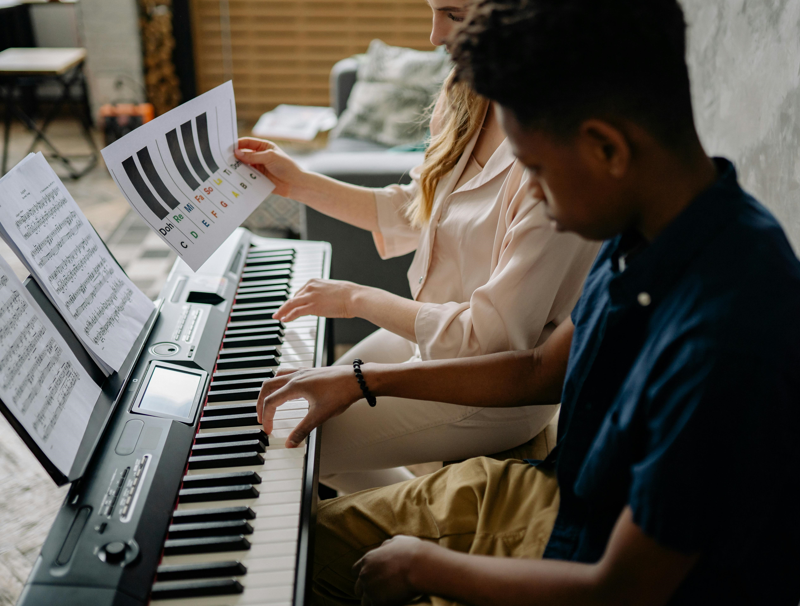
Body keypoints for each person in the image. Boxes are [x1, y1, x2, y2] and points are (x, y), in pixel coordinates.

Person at [256, 0, 800, 604]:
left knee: (293, 577)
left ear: (606, 149)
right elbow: (541, 369)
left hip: (583, 551)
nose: (535, 197)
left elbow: (621, 589)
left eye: (535, 168)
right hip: (551, 494)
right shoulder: (654, 228)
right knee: (301, 543)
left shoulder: (724, 336)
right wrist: (361, 379)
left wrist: (424, 569)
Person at [235, 0, 599, 493]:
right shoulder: (465, 91)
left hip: (488, 384)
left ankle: (404, 534)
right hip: (428, 335)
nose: (433, 37)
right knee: (298, 409)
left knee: (296, 436)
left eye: (453, 14)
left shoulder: (552, 162)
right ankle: (401, 515)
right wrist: (298, 182)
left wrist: (357, 300)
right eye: (431, 11)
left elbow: (489, 343)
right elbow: (419, 207)